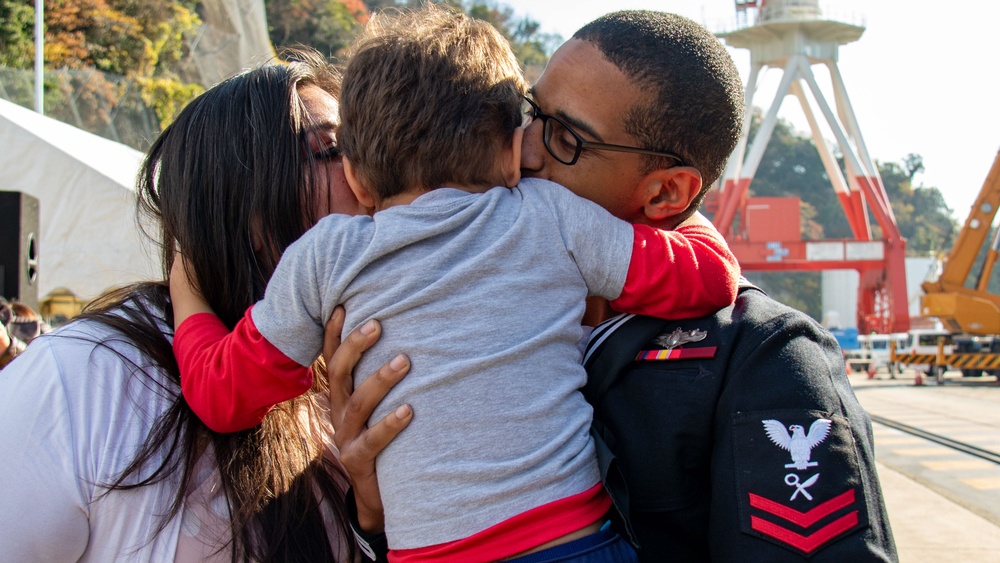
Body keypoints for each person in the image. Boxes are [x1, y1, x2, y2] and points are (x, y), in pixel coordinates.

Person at [169, 5, 740, 561]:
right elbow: (710, 279)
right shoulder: (550, 216)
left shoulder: (322, 258)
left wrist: (187, 295)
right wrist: (675, 212)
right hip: (574, 538)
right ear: (510, 155)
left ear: (356, 175)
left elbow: (223, 397)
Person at [337, 9, 899, 563]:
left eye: (565, 138)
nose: (525, 150)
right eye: (529, 113)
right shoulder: (441, 297)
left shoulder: (765, 360)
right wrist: (376, 515)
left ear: (665, 194)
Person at [0, 50, 411, 562]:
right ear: (239, 195)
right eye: (333, 150)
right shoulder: (84, 377)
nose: (370, 180)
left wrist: (374, 519)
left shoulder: (367, 365)